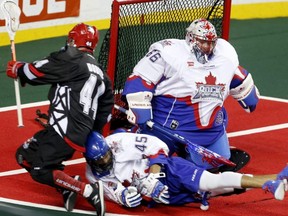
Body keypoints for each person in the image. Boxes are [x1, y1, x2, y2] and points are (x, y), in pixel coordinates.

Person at [121, 18, 260, 171]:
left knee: (217, 163)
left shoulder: (225, 55)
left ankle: (189, 154)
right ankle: (126, 136)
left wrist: (248, 94)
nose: (207, 47)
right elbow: (140, 79)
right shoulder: (168, 53)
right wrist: (140, 110)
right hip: (166, 128)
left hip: (209, 132)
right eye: (203, 42)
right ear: (191, 39)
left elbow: (237, 77)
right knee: (138, 169)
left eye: (211, 42)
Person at [6, 23, 114, 216]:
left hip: (62, 131)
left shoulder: (72, 58)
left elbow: (37, 70)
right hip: (74, 135)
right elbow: (105, 113)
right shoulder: (102, 75)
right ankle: (66, 186)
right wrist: (90, 134)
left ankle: (88, 191)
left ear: (73, 40)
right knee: (25, 155)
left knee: (39, 168)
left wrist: (19, 69)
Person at [82, 131, 287, 210]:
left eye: (107, 156)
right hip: (158, 196)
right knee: (218, 189)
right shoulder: (92, 175)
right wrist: (129, 197)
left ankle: (268, 184)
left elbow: (157, 146)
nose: (105, 161)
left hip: (168, 170)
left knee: (210, 181)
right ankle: (279, 179)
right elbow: (116, 194)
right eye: (100, 160)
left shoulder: (118, 142)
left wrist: (154, 177)